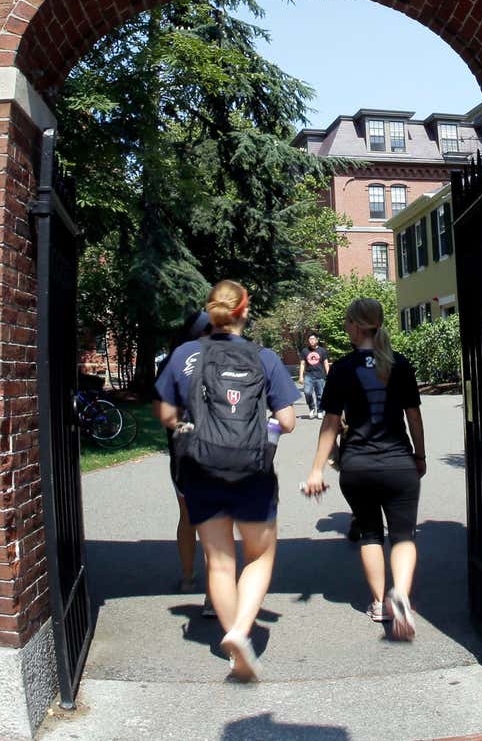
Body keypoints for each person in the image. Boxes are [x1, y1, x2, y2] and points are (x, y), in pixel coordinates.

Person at [155, 280, 299, 680]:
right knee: (258, 556)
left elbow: (166, 414)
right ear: (244, 312)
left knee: (219, 562)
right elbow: (287, 421)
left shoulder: (185, 355)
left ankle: (234, 642)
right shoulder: (264, 358)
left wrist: (189, 424)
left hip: (202, 469)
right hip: (252, 471)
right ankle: (240, 630)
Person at [299, 297, 426, 642]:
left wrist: (316, 470)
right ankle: (400, 593)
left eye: (346, 322)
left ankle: (378, 602)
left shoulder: (341, 368)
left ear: (356, 326)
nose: (344, 328)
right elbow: (413, 416)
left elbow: (330, 422)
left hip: (358, 466)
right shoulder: (399, 364)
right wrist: (421, 456)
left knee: (371, 534)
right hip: (399, 462)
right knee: (402, 536)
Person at [152, 309, 214, 607]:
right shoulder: (225, 357)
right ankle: (215, 595)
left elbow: (163, 414)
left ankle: (188, 577)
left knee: (188, 516)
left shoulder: (172, 360)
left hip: (184, 450)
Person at [297, 333, 330, 419]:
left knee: (320, 395)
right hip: (308, 376)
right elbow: (302, 364)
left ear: (316, 340)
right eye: (310, 339)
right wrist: (300, 376)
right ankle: (312, 408)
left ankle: (320, 411)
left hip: (320, 376)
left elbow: (326, 363)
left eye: (313, 339)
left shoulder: (322, 350)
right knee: (307, 392)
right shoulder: (305, 351)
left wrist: (329, 374)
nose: (311, 341)